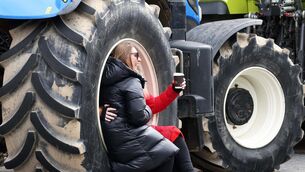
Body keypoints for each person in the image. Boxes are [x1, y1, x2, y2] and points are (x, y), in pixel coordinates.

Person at [101, 43, 194, 172]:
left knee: (173, 136)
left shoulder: (117, 77)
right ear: (126, 56)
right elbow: (140, 115)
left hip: (130, 131)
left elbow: (151, 105)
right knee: (169, 146)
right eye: (136, 55)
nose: (140, 59)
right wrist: (100, 110)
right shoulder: (130, 81)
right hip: (129, 133)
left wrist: (173, 90)